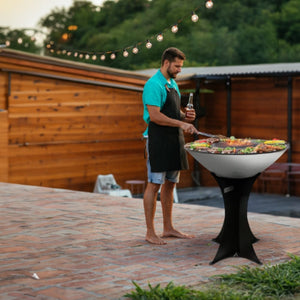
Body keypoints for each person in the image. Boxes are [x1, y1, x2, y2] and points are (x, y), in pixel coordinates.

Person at [142, 47, 199, 245]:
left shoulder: (172, 83)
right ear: (166, 63)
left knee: (171, 183)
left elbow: (174, 113)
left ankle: (168, 228)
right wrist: (182, 123)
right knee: (154, 184)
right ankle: (150, 232)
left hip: (174, 139)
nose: (179, 70)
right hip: (157, 139)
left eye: (181, 67)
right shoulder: (153, 84)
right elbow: (156, 116)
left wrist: (186, 116)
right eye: (177, 66)